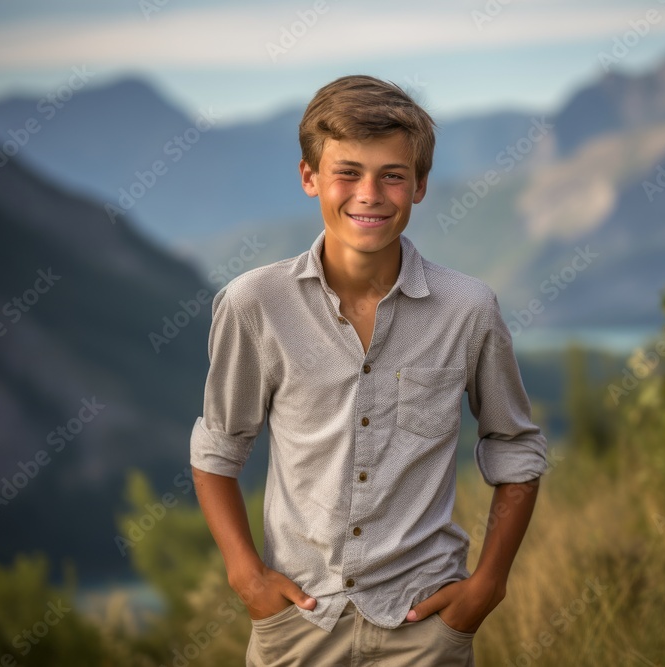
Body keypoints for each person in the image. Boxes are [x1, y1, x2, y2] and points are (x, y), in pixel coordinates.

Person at [190, 74, 548, 666]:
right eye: (347, 172)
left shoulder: (468, 309)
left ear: (421, 186)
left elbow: (514, 447)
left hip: (425, 624)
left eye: (393, 175)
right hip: (298, 624)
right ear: (310, 178)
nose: (370, 193)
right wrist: (246, 577)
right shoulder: (254, 304)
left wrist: (488, 585)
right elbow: (217, 450)